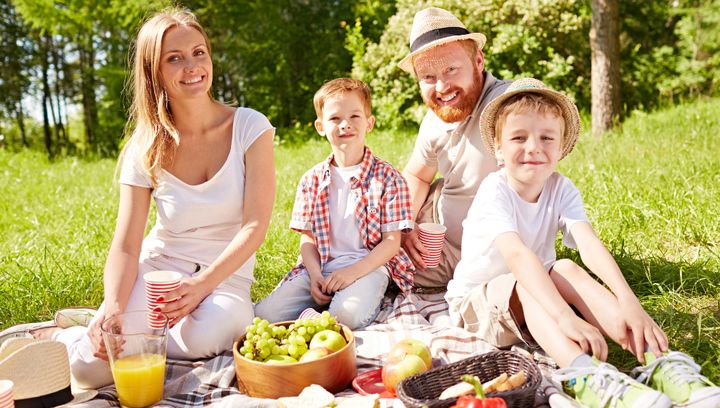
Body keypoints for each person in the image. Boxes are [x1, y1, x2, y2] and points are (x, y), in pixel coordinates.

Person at [1, 9, 276, 389]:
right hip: (160, 272)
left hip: (224, 278)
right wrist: (113, 308)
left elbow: (255, 225)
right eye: (174, 58)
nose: (192, 66)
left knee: (212, 334)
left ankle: (138, 339)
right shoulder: (145, 146)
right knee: (89, 370)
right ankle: (69, 336)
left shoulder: (250, 126)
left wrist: (200, 287)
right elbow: (127, 245)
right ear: (154, 72)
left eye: (199, 52)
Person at [446, 78, 720, 407]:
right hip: (476, 304)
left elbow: (588, 244)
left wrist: (628, 300)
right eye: (519, 137)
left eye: (546, 138)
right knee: (524, 281)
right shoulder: (495, 190)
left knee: (564, 266)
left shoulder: (561, 188)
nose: (533, 147)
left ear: (561, 147)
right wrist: (565, 316)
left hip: (537, 291)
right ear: (499, 148)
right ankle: (584, 375)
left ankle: (657, 360)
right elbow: (517, 255)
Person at [255, 78, 414, 330]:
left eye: (354, 116)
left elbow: (392, 242)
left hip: (368, 267)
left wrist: (352, 273)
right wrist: (316, 275)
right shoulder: (311, 180)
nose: (345, 125)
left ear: (369, 123)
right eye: (335, 118)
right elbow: (307, 240)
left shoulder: (388, 178)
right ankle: (316, 310)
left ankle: (344, 307)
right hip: (322, 267)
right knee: (264, 315)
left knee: (346, 316)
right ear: (320, 126)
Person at [397, 7, 511, 293]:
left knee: (373, 269)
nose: (442, 86)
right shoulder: (435, 120)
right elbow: (418, 175)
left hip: (492, 254)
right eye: (428, 77)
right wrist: (405, 224)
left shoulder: (506, 105)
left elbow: (532, 98)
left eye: (451, 69)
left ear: (479, 61)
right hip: (435, 234)